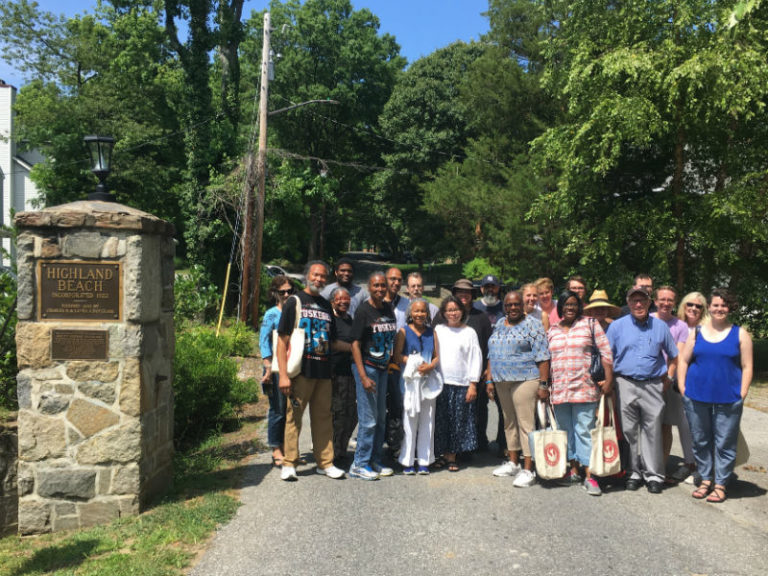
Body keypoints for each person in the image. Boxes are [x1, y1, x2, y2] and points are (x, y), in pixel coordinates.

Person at [679, 288, 753, 503]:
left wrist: (743, 391)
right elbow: (683, 361)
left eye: (724, 305)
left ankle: (720, 484)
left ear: (729, 308)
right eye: (716, 305)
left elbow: (747, 366)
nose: (719, 309)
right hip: (696, 396)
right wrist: (683, 387)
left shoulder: (740, 334)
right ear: (709, 307)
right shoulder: (697, 332)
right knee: (701, 440)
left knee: (724, 443)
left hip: (728, 398)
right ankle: (705, 479)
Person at [607, 286, 679, 493]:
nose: (638, 304)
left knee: (652, 430)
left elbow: (673, 355)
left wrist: (670, 377)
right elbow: (607, 358)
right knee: (629, 431)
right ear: (628, 303)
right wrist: (610, 384)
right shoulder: (617, 327)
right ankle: (633, 473)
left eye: (642, 301)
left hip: (653, 384)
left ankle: (654, 475)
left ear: (649, 303)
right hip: (625, 383)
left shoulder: (660, 327)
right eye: (634, 301)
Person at [277, 261, 345, 481]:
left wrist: (357, 347)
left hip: (323, 373)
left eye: (323, 276)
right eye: (315, 275)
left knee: (323, 418)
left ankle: (325, 462)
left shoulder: (327, 306)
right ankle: (289, 463)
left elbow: (333, 341)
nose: (319, 279)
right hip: (300, 372)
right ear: (307, 276)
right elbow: (281, 341)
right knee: (293, 418)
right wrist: (284, 376)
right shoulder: (294, 302)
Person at [547, 291, 614, 496]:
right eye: (566, 304)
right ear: (560, 308)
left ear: (579, 307)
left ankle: (590, 476)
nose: (570, 308)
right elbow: (547, 359)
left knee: (584, 430)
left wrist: (609, 380)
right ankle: (574, 470)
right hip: (560, 390)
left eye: (574, 304)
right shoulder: (552, 330)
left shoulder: (590, 324)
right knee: (566, 431)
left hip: (584, 387)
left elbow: (606, 353)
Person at [485, 290, 550, 488]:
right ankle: (513, 462)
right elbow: (491, 353)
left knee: (525, 424)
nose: (512, 308)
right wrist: (489, 380)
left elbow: (543, 356)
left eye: (516, 304)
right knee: (508, 422)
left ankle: (528, 469)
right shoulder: (499, 324)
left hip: (525, 379)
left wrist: (543, 384)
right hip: (501, 380)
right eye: (508, 305)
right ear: (504, 307)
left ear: (522, 305)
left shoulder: (533, 325)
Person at [349, 271, 398, 480]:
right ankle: (359, 463)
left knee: (380, 419)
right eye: (376, 286)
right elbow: (355, 344)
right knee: (368, 420)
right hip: (367, 368)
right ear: (369, 288)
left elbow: (390, 336)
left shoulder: (388, 308)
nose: (379, 289)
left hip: (382, 369)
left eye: (382, 286)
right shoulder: (363, 311)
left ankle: (375, 461)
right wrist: (362, 376)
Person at [436, 279, 495, 453]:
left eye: (467, 292)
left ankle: (473, 448)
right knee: (443, 418)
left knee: (471, 415)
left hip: (473, 375)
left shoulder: (480, 318)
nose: (464, 295)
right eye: (460, 291)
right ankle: (446, 452)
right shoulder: (439, 324)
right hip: (442, 380)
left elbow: (486, 347)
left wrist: (482, 374)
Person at [652, 286, 696, 484]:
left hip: (667, 381)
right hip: (646, 380)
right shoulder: (647, 318)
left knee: (665, 425)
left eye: (670, 300)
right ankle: (642, 463)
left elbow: (676, 354)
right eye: (662, 299)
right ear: (655, 301)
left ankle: (660, 466)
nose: (666, 303)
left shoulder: (680, 326)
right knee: (645, 425)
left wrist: (668, 378)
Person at [434, 295, 483, 471]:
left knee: (458, 421)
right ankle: (441, 455)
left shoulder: (469, 332)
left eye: (455, 309)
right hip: (440, 382)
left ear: (461, 312)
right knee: (441, 420)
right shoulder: (438, 330)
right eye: (449, 310)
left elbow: (475, 358)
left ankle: (452, 456)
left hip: (462, 384)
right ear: (443, 313)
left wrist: (473, 384)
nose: (453, 313)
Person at [393, 298, 440, 474]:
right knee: (409, 422)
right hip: (410, 382)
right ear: (410, 313)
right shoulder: (403, 332)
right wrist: (413, 361)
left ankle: (424, 461)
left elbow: (436, 356)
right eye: (416, 311)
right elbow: (397, 356)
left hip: (428, 382)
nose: (419, 314)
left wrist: (429, 365)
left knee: (427, 422)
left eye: (423, 311)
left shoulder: (432, 332)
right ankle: (407, 461)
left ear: (427, 314)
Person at [259, 275, 294, 468]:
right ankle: (276, 448)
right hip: (274, 367)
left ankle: (288, 447)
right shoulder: (271, 314)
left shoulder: (297, 312)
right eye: (283, 292)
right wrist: (267, 368)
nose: (287, 294)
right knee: (278, 409)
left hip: (293, 366)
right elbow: (264, 341)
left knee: (291, 409)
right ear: (275, 294)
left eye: (290, 291)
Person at [329, 287, 356, 469]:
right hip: (334, 374)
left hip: (350, 373)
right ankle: (331, 452)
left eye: (346, 300)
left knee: (351, 414)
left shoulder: (349, 319)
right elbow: (332, 343)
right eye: (339, 299)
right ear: (333, 301)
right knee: (336, 414)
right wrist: (355, 349)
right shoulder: (330, 320)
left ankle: (341, 449)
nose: (343, 302)